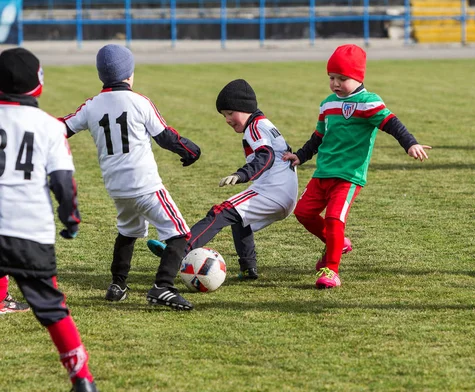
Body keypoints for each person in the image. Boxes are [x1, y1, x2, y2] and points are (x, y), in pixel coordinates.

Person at [61, 44, 200, 310]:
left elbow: (63, 127)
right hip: (145, 184)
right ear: (129, 74)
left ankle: (118, 284)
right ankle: (163, 287)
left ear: (101, 74)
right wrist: (191, 150)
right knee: (179, 232)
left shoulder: (91, 105)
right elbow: (166, 136)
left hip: (117, 187)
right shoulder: (140, 101)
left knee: (128, 231)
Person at [282, 44, 431, 289]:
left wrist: (410, 144)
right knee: (303, 213)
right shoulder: (328, 104)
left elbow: (393, 124)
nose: (335, 83)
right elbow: (319, 136)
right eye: (331, 78)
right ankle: (337, 243)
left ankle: (331, 270)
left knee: (334, 218)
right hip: (323, 172)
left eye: (342, 78)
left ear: (358, 77)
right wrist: (300, 156)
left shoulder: (368, 102)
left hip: (348, 176)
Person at [0, 48, 99, 392]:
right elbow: (62, 182)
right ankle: (83, 382)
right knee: (54, 311)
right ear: (37, 84)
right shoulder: (48, 126)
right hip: (30, 229)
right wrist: (70, 218)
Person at [147, 79, 298, 280]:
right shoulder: (264, 124)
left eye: (229, 113)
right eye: (224, 115)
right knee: (240, 219)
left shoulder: (255, 127)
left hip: (273, 191)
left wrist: (241, 174)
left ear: (244, 108)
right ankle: (248, 268)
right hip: (285, 195)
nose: (227, 119)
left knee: (221, 212)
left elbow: (266, 156)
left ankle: (177, 251)